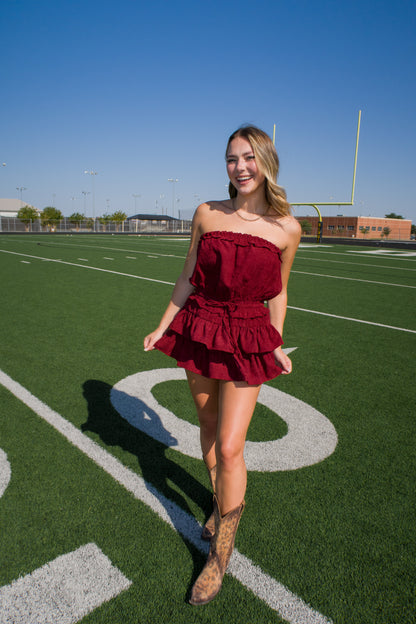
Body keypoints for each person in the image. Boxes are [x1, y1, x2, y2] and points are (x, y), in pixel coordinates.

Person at [143, 125, 301, 605]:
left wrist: (275, 342)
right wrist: (163, 324)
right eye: (232, 159)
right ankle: (218, 499)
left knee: (232, 446)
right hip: (201, 326)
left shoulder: (287, 227)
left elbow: (279, 290)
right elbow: (189, 273)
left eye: (249, 158)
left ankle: (219, 558)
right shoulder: (207, 214)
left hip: (249, 334)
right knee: (208, 425)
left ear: (266, 161)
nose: (241, 167)